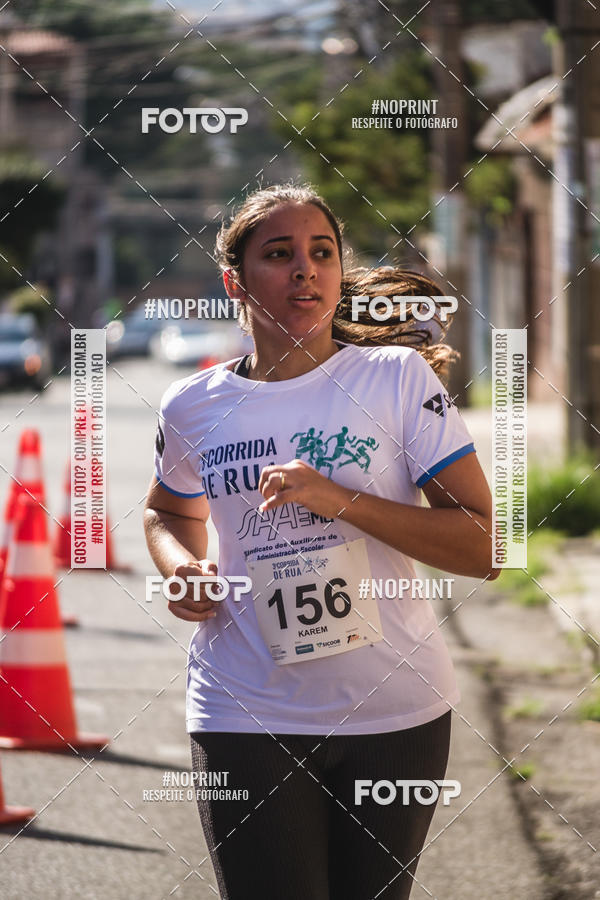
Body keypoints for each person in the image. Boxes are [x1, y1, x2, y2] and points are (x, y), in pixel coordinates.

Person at [144, 183, 499, 900]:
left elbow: (482, 546)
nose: (305, 270)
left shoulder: (394, 380)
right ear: (235, 281)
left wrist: (341, 500)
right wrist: (182, 567)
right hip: (243, 704)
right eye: (279, 255)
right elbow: (166, 511)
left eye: (321, 252)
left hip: (394, 708)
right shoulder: (194, 404)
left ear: (339, 271)